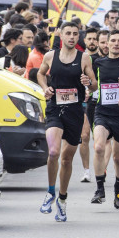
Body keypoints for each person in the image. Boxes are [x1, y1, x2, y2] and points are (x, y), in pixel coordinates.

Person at [37, 22, 98, 222]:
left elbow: (95, 85)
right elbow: (40, 73)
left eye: (75, 34)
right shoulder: (50, 56)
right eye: (68, 33)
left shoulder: (84, 58)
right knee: (53, 151)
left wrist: (89, 84)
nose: (72, 37)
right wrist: (45, 87)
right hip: (55, 108)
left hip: (74, 111)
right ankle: (50, 191)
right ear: (61, 35)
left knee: (66, 159)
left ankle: (62, 199)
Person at [90, 30, 119, 208]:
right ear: (106, 43)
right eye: (113, 41)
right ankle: (100, 188)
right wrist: (87, 84)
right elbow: (92, 84)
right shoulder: (98, 63)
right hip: (102, 112)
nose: (116, 44)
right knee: (99, 146)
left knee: (118, 157)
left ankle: (118, 185)